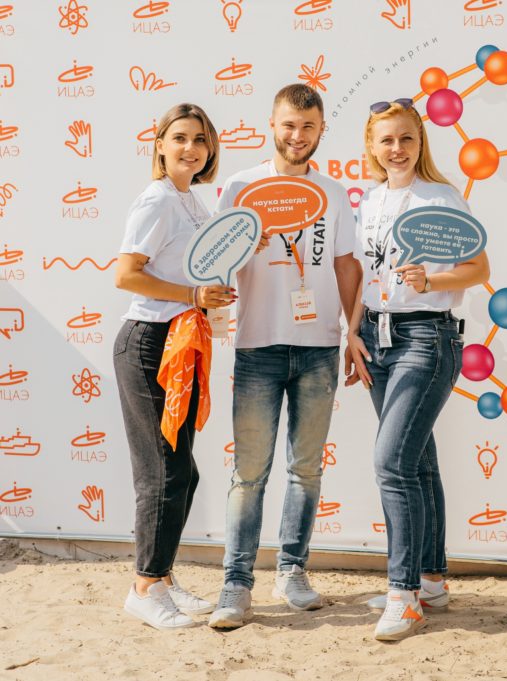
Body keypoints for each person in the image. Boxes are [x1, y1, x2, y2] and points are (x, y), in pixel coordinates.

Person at [208, 84, 361, 629]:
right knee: (249, 473)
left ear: (321, 130)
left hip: (319, 348)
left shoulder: (334, 192)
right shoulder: (240, 186)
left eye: (308, 126)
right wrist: (233, 259)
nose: (298, 136)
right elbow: (215, 264)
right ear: (271, 125)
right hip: (257, 345)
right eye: (289, 125)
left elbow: (346, 264)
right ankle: (236, 584)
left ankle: (292, 571)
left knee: (305, 471)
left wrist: (353, 331)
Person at [345, 98, 490, 641]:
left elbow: (479, 267)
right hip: (375, 338)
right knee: (418, 462)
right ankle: (430, 581)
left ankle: (402, 596)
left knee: (392, 464)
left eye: (406, 138)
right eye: (386, 139)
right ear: (371, 146)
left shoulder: (442, 197)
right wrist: (351, 334)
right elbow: (363, 275)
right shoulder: (369, 201)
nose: (397, 148)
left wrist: (432, 281)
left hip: (426, 339)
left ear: (420, 141)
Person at [114, 103, 235, 630]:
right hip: (148, 344)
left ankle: (161, 577)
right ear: (160, 144)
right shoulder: (157, 199)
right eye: (180, 137)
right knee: (163, 472)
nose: (191, 148)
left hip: (179, 341)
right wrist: (192, 295)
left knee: (183, 472)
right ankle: (144, 588)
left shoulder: (189, 198)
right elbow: (126, 275)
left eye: (200, 139)